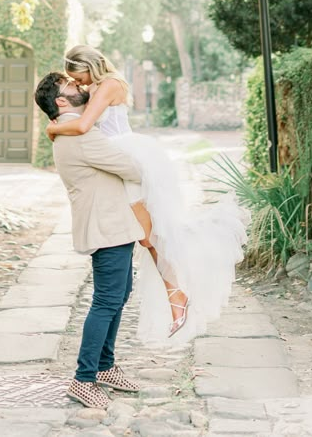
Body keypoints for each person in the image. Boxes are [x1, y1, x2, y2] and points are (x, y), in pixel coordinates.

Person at [46, 44, 247, 347]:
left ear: (91, 67)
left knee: (150, 235)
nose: (82, 85)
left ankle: (178, 293)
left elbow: (86, 124)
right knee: (147, 236)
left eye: (82, 78)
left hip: (128, 156)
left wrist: (53, 130)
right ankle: (176, 294)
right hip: (120, 155)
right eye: (78, 82)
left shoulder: (110, 84)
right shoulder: (100, 86)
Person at [34, 71, 144, 410]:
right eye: (72, 86)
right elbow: (133, 168)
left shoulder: (71, 132)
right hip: (106, 226)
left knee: (119, 294)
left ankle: (105, 366)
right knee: (106, 301)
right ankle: (83, 379)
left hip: (113, 225)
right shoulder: (81, 136)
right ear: (61, 102)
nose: (81, 86)